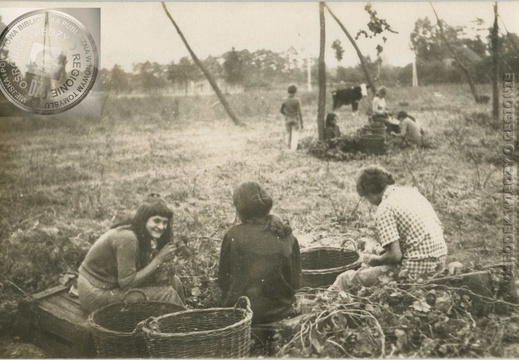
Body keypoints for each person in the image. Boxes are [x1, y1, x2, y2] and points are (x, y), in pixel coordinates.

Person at [332, 166, 448, 290]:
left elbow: (395, 255)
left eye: (366, 198)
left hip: (414, 271)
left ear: (370, 193)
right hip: (439, 263)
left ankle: (320, 301)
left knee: (345, 279)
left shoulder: (385, 208)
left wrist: (376, 260)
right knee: (378, 256)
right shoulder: (411, 193)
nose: (369, 202)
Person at [78, 194, 186, 312]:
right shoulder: (127, 238)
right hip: (94, 294)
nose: (161, 226)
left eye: (165, 222)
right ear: (144, 219)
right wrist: (159, 259)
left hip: (110, 286)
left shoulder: (141, 232)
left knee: (175, 281)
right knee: (167, 294)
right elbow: (127, 284)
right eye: (156, 221)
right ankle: (183, 325)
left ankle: (186, 317)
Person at [218, 182, 301, 325]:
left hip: (243, 316)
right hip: (281, 313)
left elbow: (223, 281)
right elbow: (296, 283)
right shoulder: (287, 235)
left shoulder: (233, 235)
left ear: (240, 209)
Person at [280, 85, 303, 151]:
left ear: (288, 91)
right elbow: (300, 112)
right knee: (295, 134)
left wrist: (286, 114)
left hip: (288, 119)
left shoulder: (285, 100)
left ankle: (288, 147)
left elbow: (281, 110)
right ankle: (293, 149)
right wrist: (302, 123)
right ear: (295, 92)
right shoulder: (297, 100)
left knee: (288, 133)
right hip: (295, 119)